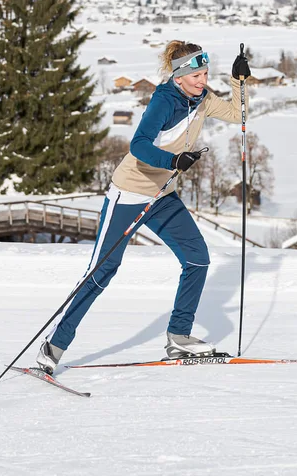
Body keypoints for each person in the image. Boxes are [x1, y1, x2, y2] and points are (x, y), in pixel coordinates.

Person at [36, 40, 251, 370]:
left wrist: (239, 82)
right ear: (179, 77)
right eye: (195, 75)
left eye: (205, 73)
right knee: (102, 272)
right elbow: (138, 147)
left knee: (197, 258)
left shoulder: (203, 100)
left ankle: (179, 337)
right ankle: (53, 347)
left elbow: (239, 114)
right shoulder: (164, 102)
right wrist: (173, 159)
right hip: (130, 193)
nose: (202, 81)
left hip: (161, 195)